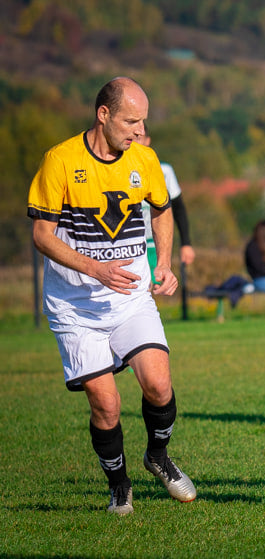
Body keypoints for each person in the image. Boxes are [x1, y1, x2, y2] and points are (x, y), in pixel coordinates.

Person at [27, 77, 197, 515]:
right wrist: (94, 268)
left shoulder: (145, 158)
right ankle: (119, 486)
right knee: (107, 404)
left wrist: (163, 264)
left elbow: (162, 207)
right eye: (131, 120)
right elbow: (42, 235)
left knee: (159, 385)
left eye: (144, 120)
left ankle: (157, 457)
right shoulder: (60, 161)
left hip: (130, 298)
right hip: (75, 306)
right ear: (103, 115)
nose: (139, 130)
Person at [136, 125, 195, 285]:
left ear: (148, 141)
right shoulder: (117, 169)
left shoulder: (164, 171)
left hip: (154, 243)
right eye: (133, 138)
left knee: (155, 288)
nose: (136, 142)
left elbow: (179, 207)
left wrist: (186, 243)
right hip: (131, 244)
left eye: (139, 138)